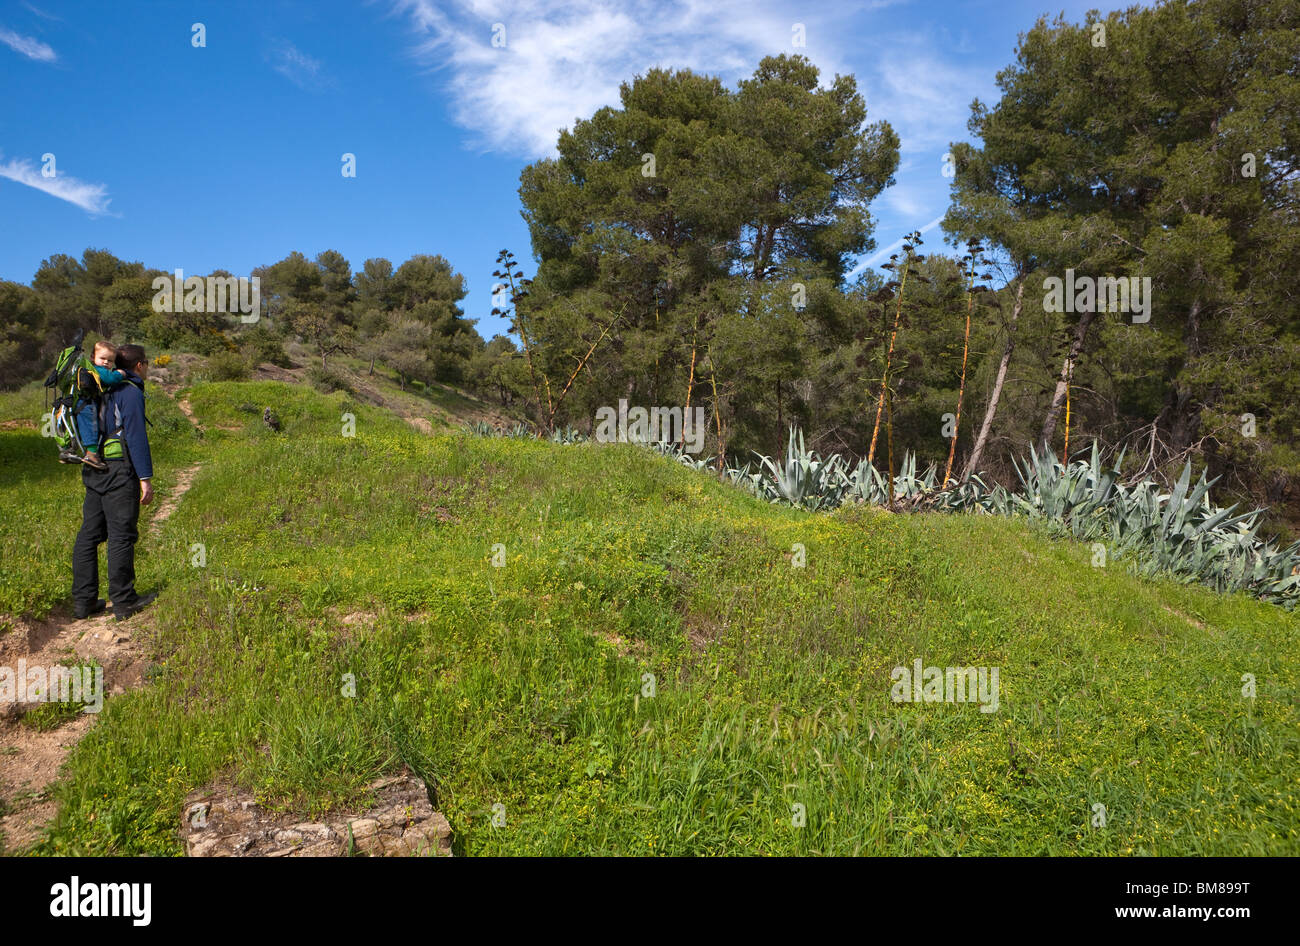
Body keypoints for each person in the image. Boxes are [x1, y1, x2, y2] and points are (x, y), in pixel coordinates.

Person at [71, 343, 157, 622]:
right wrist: (145, 478)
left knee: (89, 535)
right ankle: (124, 601)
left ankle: (83, 603)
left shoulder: (99, 386)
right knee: (121, 535)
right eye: (147, 364)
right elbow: (135, 437)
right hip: (119, 472)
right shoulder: (129, 392)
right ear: (140, 366)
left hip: (94, 467)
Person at [70, 340, 128, 470]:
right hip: (87, 403)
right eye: (102, 358)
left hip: (82, 402)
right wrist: (121, 373)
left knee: (86, 426)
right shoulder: (98, 369)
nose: (106, 362)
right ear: (93, 357)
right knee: (91, 426)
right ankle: (92, 454)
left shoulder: (95, 368)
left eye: (110, 360)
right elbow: (110, 379)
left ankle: (78, 449)